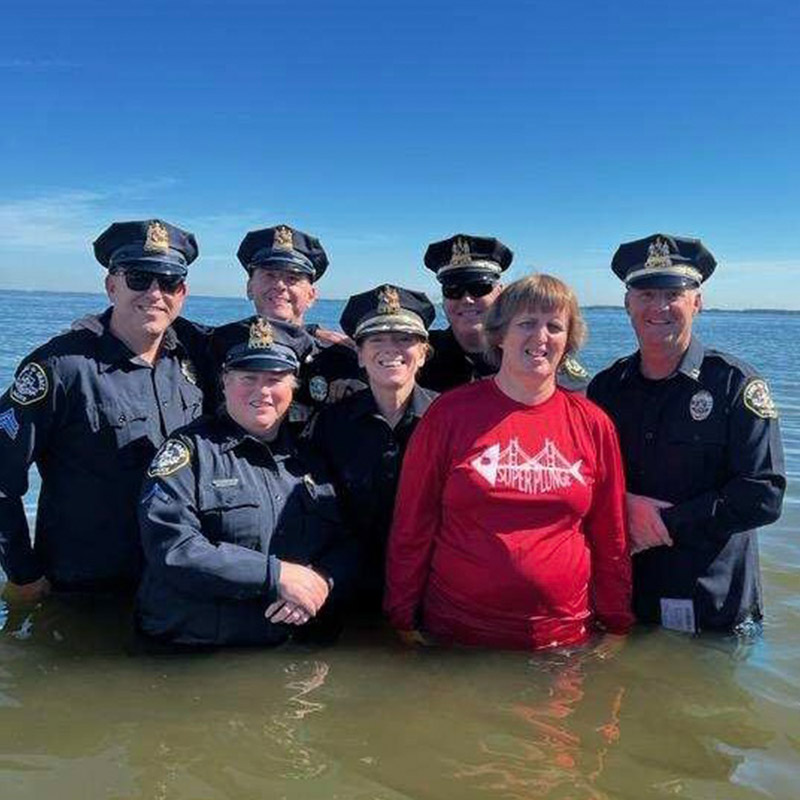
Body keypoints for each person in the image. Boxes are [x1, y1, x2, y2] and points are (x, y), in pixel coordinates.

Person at [384, 274, 633, 650]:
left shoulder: (592, 423)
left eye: (554, 326)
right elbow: (412, 523)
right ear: (499, 334)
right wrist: (401, 616)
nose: (541, 337)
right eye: (527, 323)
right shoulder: (449, 414)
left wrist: (616, 624)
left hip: (562, 640)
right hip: (456, 636)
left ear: (568, 342)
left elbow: (609, 534)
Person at [587, 234, 785, 634]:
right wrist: (622, 505)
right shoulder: (607, 388)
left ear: (697, 302)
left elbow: (763, 493)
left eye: (673, 293)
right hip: (630, 595)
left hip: (712, 604)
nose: (659, 306)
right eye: (645, 293)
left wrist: (666, 524)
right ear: (627, 303)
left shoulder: (734, 384)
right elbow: (589, 475)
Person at [0, 220, 205, 600]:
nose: (155, 293)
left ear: (183, 293)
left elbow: (264, 352)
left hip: (176, 586)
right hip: (84, 588)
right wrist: (22, 572)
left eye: (169, 282)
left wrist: (342, 346)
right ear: (112, 286)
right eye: (140, 278)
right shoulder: (60, 367)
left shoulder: (196, 357)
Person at [136, 317, 357, 646]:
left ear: (293, 385)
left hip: (291, 653)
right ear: (224, 381)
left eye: (275, 378)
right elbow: (172, 547)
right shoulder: (188, 452)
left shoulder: (311, 458)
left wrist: (322, 580)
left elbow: (346, 541)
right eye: (248, 378)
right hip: (196, 655)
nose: (262, 391)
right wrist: (276, 576)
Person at [309, 285, 437, 611]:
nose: (391, 349)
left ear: (423, 353)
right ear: (360, 355)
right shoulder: (331, 425)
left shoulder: (449, 420)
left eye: (404, 339)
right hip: (351, 591)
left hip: (434, 590)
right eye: (377, 340)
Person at [208, 225, 362, 422]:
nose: (279, 286)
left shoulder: (339, 358)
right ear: (249, 288)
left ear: (312, 296)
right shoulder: (216, 346)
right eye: (269, 275)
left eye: (292, 278)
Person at [418, 234, 590, 393]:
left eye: (479, 288)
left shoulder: (533, 354)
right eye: (453, 290)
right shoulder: (421, 358)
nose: (467, 299)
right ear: (443, 299)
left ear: (500, 293)